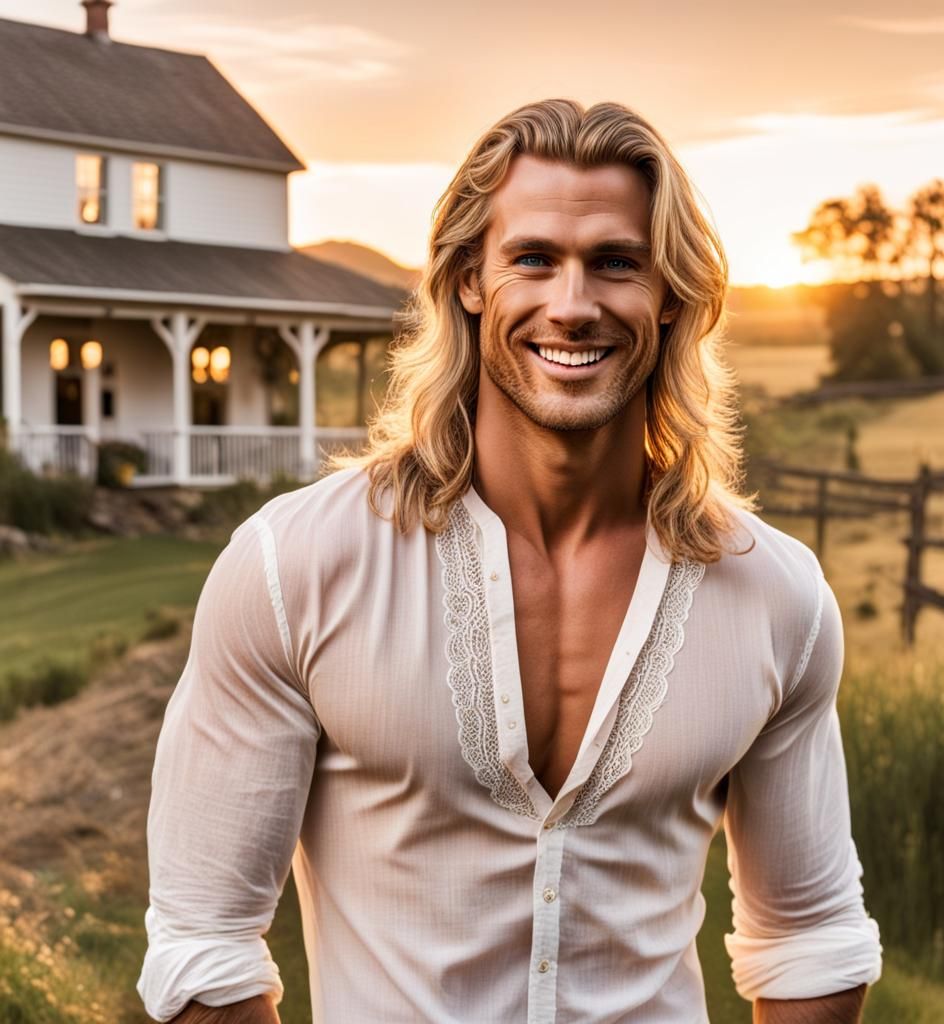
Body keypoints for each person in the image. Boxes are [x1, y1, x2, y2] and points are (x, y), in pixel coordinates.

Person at [138, 98, 882, 1023]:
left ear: (673, 296)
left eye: (617, 263)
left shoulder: (775, 594)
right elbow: (204, 944)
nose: (572, 307)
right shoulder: (295, 569)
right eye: (534, 259)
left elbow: (810, 939)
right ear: (468, 280)